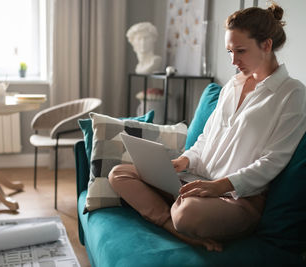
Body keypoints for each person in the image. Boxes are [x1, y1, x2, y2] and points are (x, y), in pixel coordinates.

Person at [109, 3, 306, 252]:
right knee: (119, 173)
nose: (234, 61)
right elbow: (205, 137)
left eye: (241, 51)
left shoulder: (292, 93)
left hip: (237, 201)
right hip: (196, 181)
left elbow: (273, 161)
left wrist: (220, 186)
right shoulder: (231, 86)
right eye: (229, 52)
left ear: (266, 45)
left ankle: (176, 217)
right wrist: (186, 160)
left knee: (187, 214)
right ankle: (173, 226)